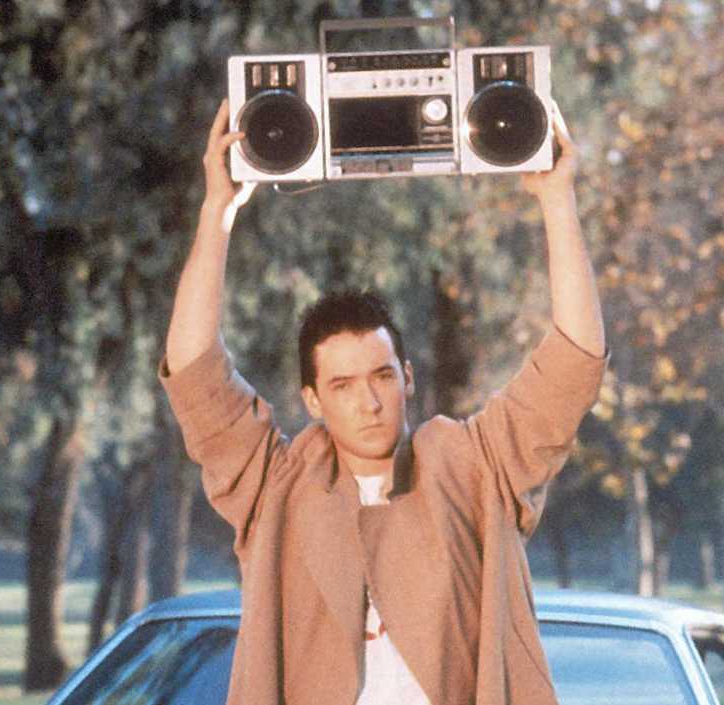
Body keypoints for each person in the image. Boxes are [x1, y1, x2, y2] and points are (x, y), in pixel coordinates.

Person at [160, 98, 607, 705]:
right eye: (342, 386)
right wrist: (218, 210)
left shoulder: (472, 467)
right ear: (312, 400)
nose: (369, 402)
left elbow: (573, 361)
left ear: (408, 378)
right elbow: (193, 375)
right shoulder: (277, 488)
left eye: (381, 377)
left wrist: (557, 201)